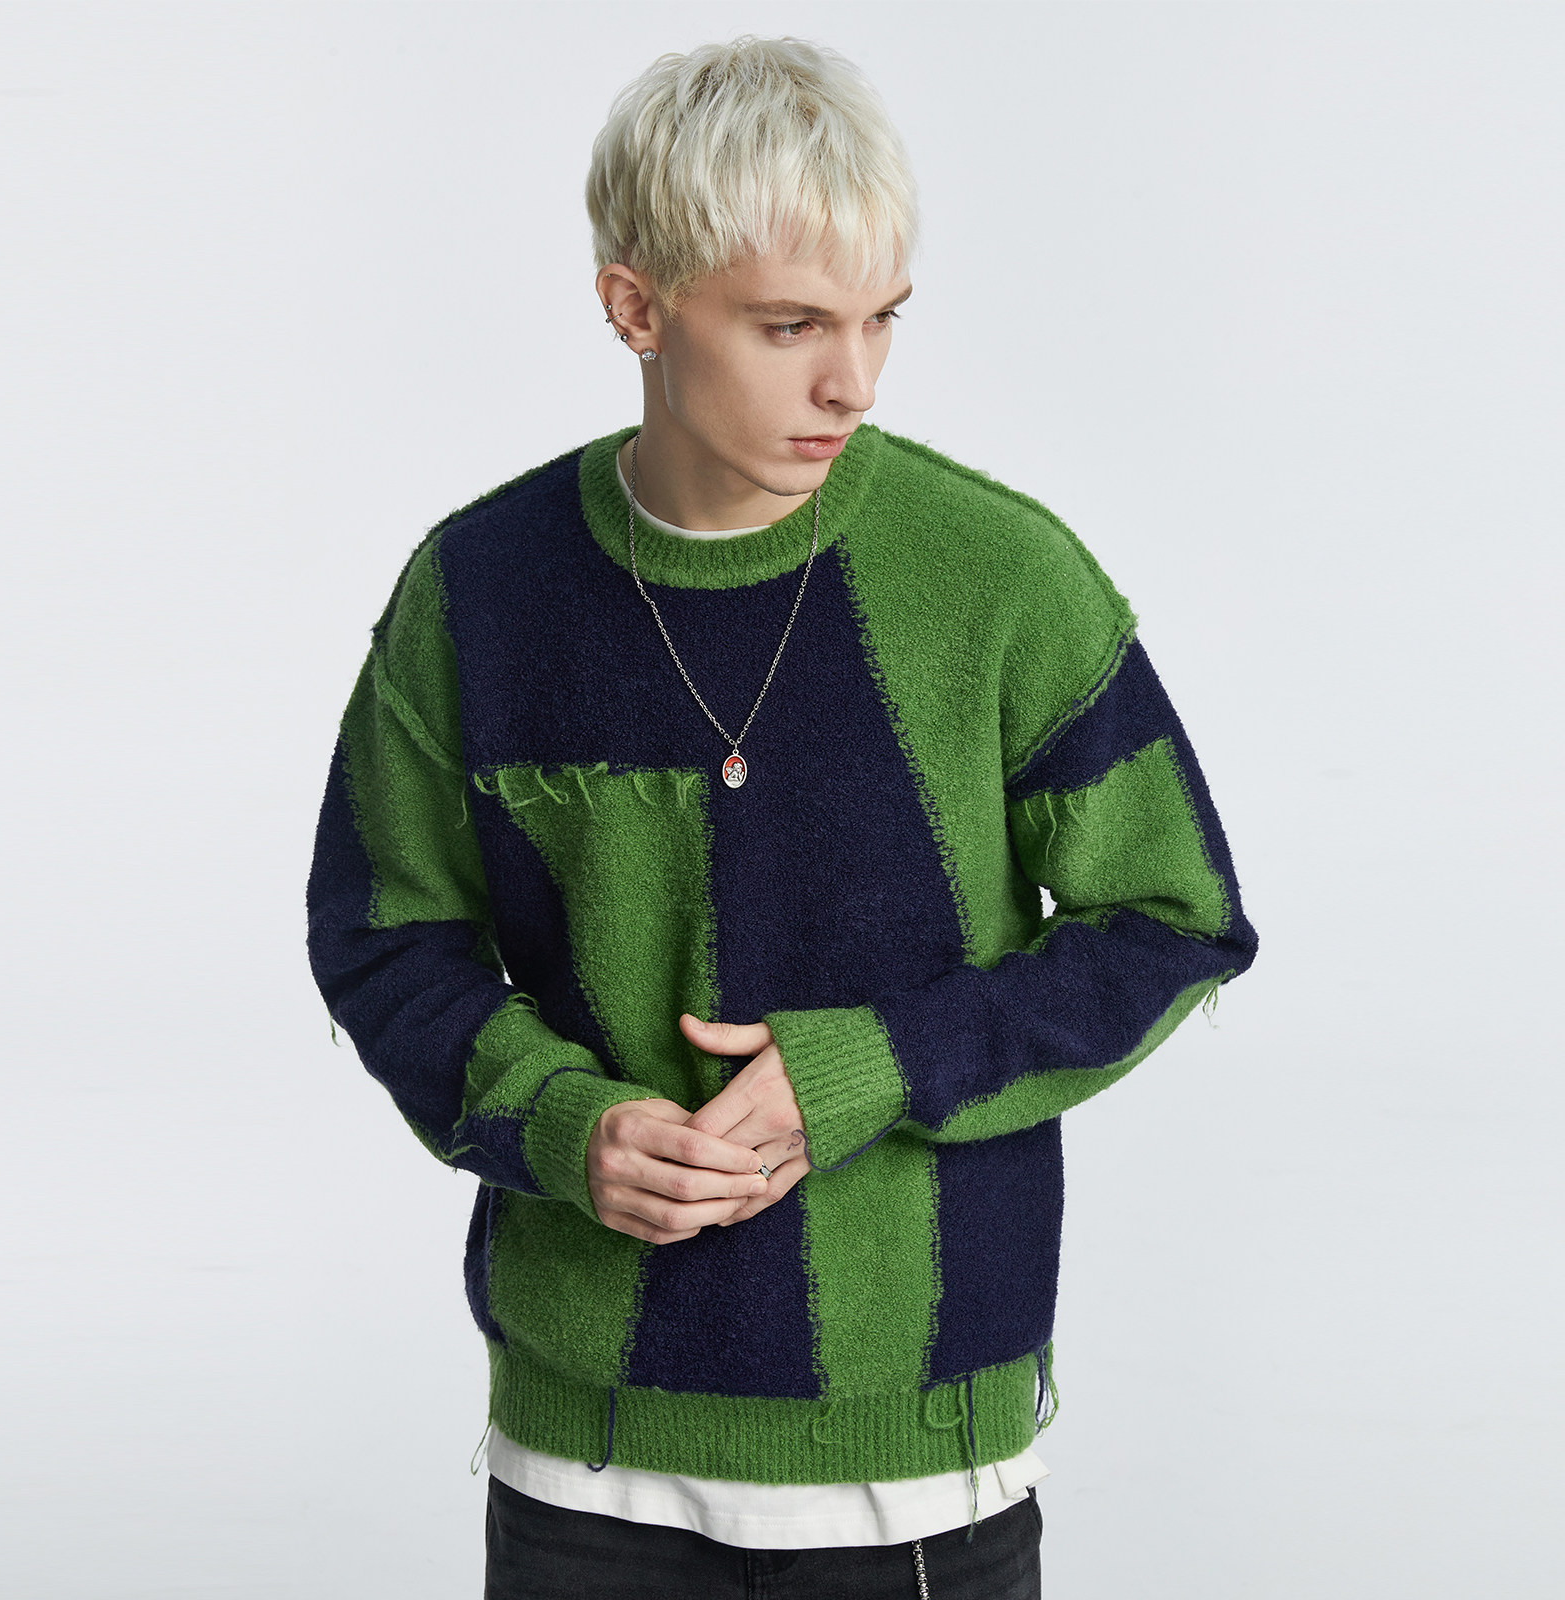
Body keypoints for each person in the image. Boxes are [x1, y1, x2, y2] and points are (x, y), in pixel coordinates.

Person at [305, 34, 1257, 1599]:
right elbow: (383, 935)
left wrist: (874, 1069)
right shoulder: (481, 591)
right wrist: (562, 1120)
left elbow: (1175, 923)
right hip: (586, 1459)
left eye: (882, 318)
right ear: (636, 307)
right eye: (791, 324)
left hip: (917, 1470)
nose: (852, 382)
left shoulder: (1003, 580)